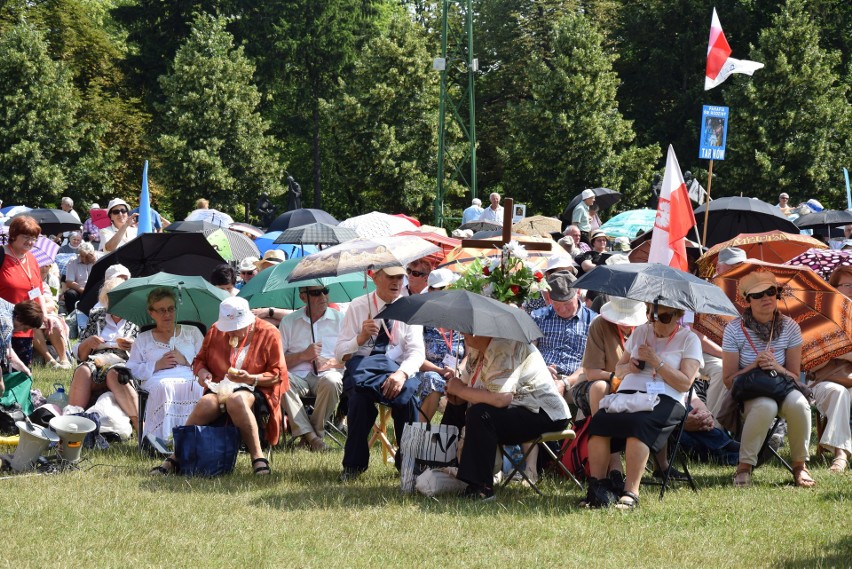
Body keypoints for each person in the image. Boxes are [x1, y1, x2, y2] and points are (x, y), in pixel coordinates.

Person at [584, 302, 703, 509]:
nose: (656, 321)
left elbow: (685, 383)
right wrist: (630, 366)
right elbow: (619, 370)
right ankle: (598, 487)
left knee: (639, 425)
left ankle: (631, 492)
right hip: (629, 393)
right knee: (600, 422)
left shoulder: (689, 339)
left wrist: (657, 362)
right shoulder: (641, 332)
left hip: (667, 396)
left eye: (664, 317)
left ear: (678, 315)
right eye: (651, 315)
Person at [150, 297, 286, 476]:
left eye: (237, 328)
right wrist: (202, 373)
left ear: (249, 322)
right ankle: (175, 457)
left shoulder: (268, 332)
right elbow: (199, 361)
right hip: (222, 385)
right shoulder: (216, 330)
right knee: (206, 403)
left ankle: (258, 458)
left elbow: (278, 373)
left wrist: (250, 378)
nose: (232, 334)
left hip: (257, 386)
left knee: (236, 399)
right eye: (229, 330)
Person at [442, 333, 571, 500]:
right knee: (457, 406)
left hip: (545, 413)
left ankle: (481, 487)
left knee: (481, 415)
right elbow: (467, 386)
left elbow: (501, 398)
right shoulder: (477, 349)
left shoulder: (504, 345)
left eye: (468, 330)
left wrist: (460, 390)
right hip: (520, 408)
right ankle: (440, 465)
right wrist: (455, 393)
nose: (464, 333)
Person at [721, 272, 814, 488]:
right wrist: (754, 366)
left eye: (770, 292)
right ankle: (744, 467)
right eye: (758, 294)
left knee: (800, 404)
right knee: (765, 406)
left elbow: (794, 375)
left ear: (777, 295)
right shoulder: (734, 329)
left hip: (781, 385)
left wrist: (777, 367)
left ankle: (800, 466)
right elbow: (728, 380)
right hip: (750, 391)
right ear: (748, 300)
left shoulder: (790, 327)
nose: (766, 298)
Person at [335, 266, 425, 481]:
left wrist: (401, 374)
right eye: (390, 277)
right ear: (375, 278)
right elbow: (339, 354)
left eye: (400, 278)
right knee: (359, 399)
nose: (396, 282)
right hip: (364, 369)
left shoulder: (410, 308)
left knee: (408, 399)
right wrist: (360, 338)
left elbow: (417, 352)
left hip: (397, 369)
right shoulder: (358, 306)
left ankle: (409, 464)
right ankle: (353, 466)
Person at [125, 288, 205, 441]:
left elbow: (206, 360)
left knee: (199, 386)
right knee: (165, 386)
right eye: (161, 310)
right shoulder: (143, 339)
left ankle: (197, 437)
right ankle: (164, 440)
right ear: (151, 313)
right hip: (157, 379)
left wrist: (186, 360)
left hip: (190, 374)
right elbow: (131, 368)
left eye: (170, 309)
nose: (167, 315)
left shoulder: (192, 332)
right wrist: (156, 365)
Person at [68, 277, 140, 431]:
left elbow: (149, 350)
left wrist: (134, 346)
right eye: (111, 300)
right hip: (97, 359)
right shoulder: (97, 315)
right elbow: (80, 355)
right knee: (83, 370)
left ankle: (140, 425)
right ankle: (72, 422)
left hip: (124, 360)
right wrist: (89, 342)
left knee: (116, 374)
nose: (115, 305)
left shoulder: (137, 317)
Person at [279, 285, 345, 452]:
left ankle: (309, 437)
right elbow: (277, 362)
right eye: (316, 293)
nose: (323, 296)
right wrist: (302, 355)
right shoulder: (289, 321)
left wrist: (329, 363)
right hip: (297, 378)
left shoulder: (340, 320)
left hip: (326, 376)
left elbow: (351, 358)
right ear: (303, 297)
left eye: (325, 290)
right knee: (280, 379)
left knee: (333, 380)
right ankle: (314, 438)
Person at [0, 216, 67, 368]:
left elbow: (37, 290)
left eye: (33, 238)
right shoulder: (1, 256)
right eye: (26, 237)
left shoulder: (32, 260)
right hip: (3, 326)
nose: (30, 242)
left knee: (21, 372)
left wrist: (43, 314)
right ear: (13, 235)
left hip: (25, 326)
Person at [804, 266, 852, 472]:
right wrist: (841, 352)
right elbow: (809, 360)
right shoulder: (818, 319)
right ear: (834, 288)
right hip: (823, 381)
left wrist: (834, 350)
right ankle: (840, 456)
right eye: (848, 285)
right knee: (838, 393)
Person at [532, 273, 595, 399]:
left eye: (567, 303)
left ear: (577, 293)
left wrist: (565, 382)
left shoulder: (593, 320)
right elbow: (529, 352)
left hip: (577, 379)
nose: (562, 309)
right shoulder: (539, 317)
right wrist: (541, 369)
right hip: (542, 375)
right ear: (549, 299)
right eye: (556, 304)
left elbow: (591, 363)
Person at [412, 269, 463, 421]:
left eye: (441, 288)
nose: (437, 292)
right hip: (429, 372)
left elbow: (470, 354)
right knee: (433, 379)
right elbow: (416, 357)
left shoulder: (461, 317)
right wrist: (441, 370)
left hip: (458, 373)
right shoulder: (422, 318)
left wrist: (458, 370)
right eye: (433, 289)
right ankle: (419, 435)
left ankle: (455, 438)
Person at [0, 299, 44, 378]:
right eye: (25, 328)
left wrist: (24, 369)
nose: (24, 331)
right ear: (18, 318)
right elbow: (4, 353)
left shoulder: (12, 308)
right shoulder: (6, 325)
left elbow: (7, 349)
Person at [63, 241, 96, 314]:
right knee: (70, 294)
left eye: (86, 257)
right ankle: (72, 315)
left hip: (94, 290)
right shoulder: (73, 261)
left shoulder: (97, 261)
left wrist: (95, 263)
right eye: (81, 256)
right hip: (79, 290)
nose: (83, 259)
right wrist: (83, 291)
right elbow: (69, 282)